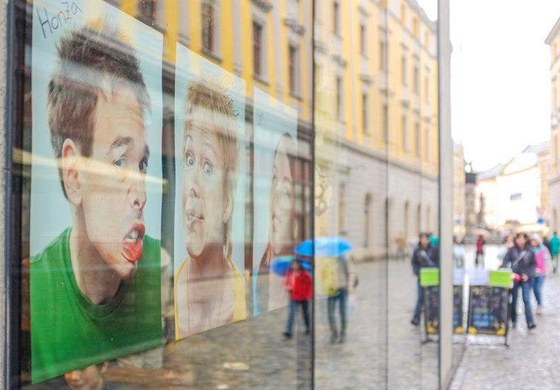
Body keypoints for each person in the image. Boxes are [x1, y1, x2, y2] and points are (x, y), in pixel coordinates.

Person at [31, 23, 162, 383]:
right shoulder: (33, 293)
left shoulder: (163, 274)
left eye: (143, 163)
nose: (142, 192)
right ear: (74, 174)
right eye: (120, 161)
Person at [175, 80, 247, 338]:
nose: (191, 185)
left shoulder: (248, 299)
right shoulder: (162, 299)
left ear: (227, 201)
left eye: (207, 167)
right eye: (189, 159)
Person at [257, 133, 298, 313]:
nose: (276, 200)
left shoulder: (298, 271)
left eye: (287, 191)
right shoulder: (262, 268)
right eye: (275, 179)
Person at [501, 232, 537, 329]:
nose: (520, 240)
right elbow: (504, 262)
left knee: (526, 299)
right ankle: (513, 320)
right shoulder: (511, 250)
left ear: (525, 239)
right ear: (515, 240)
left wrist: (528, 275)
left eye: (522, 238)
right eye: (518, 238)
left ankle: (530, 322)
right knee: (514, 300)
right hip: (514, 278)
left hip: (526, 278)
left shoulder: (530, 251)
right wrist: (506, 271)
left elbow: (534, 266)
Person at [325, 254, 356, 344]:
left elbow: (351, 273)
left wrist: (349, 287)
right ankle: (334, 333)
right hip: (331, 288)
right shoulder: (327, 259)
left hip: (342, 288)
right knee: (330, 313)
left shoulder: (345, 258)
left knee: (343, 312)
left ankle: (343, 333)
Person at [411, 232, 439, 326]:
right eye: (422, 238)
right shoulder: (417, 250)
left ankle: (432, 317)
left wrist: (434, 269)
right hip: (421, 278)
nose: (424, 240)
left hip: (432, 277)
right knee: (421, 298)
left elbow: (438, 262)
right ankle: (416, 318)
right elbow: (414, 263)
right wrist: (417, 272)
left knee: (432, 298)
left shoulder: (434, 249)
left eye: (426, 238)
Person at [283, 259, 312, 339]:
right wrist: (287, 288)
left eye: (296, 264)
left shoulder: (305, 274)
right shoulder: (290, 274)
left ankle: (308, 327)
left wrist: (308, 294)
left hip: (304, 297)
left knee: (305, 313)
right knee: (291, 314)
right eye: (293, 264)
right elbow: (287, 284)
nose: (294, 266)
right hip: (294, 297)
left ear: (299, 265)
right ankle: (289, 332)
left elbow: (309, 284)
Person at [529, 234, 551, 315]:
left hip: (541, 273)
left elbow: (547, 259)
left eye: (535, 240)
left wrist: (547, 270)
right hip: (531, 273)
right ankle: (537, 304)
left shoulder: (543, 249)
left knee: (537, 289)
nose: (533, 242)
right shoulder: (529, 249)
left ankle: (539, 305)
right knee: (534, 289)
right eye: (532, 241)